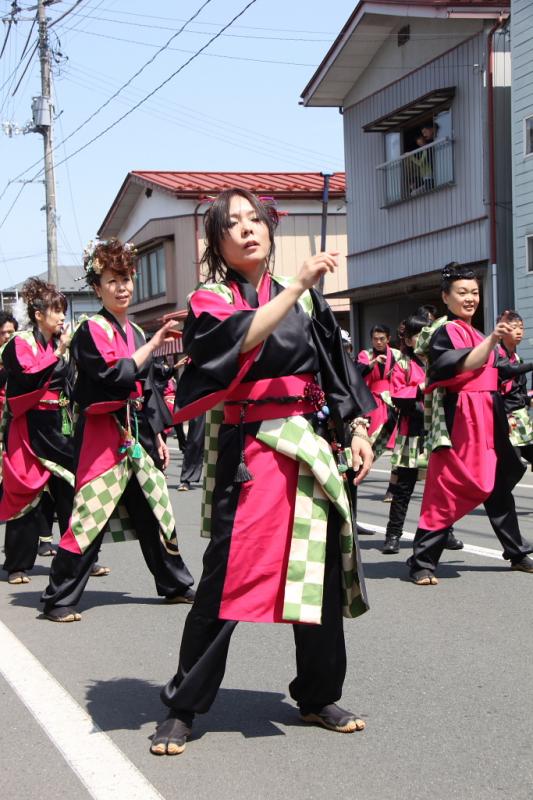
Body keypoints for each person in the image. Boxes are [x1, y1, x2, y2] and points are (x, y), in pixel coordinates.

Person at [150, 189, 375, 756]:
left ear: (270, 230)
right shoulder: (209, 299)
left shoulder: (307, 304)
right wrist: (298, 285)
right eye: (233, 224)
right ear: (218, 243)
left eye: (255, 219)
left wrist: (357, 428)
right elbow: (237, 342)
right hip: (249, 449)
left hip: (308, 445)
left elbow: (337, 371)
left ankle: (317, 694)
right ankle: (183, 705)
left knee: (316, 577)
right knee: (226, 578)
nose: (247, 229)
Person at [41, 239, 195, 622]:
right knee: (88, 518)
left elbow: (148, 390)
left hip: (136, 435)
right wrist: (156, 343)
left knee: (156, 511)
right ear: (97, 287)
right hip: (102, 436)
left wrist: (158, 434)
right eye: (113, 280)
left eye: (126, 278)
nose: (122, 286)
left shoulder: (137, 334)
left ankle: (174, 584)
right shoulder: (90, 329)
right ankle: (58, 597)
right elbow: (113, 375)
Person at [407, 264, 533, 585]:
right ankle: (422, 561)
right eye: (462, 293)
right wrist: (493, 339)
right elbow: (464, 363)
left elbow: (501, 368)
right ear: (446, 298)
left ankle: (517, 552)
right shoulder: (445, 331)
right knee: (450, 483)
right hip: (461, 414)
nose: (470, 298)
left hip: (489, 411)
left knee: (498, 482)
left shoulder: (476, 333)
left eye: (475, 292)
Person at [0, 278, 77, 585]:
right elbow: (28, 376)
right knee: (26, 492)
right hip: (29, 425)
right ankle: (18, 564)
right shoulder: (19, 343)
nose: (61, 317)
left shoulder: (62, 344)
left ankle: (79, 559)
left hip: (59, 422)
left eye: (63, 310)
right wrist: (57, 354)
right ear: (37, 313)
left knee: (71, 490)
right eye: (55, 310)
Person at [382, 314, 462, 554]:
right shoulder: (403, 365)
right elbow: (397, 396)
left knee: (441, 485)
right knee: (404, 488)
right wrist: (419, 388)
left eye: (426, 333)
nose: (423, 338)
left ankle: (446, 532)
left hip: (436, 431)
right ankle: (393, 535)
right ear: (407, 340)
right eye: (417, 335)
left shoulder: (437, 362)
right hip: (412, 432)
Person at [357, 324, 400, 501]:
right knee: (368, 445)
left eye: (382, 338)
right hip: (372, 404)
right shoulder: (365, 355)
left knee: (398, 448)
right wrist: (371, 364)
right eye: (375, 339)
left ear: (388, 339)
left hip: (393, 403)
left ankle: (392, 488)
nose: (379, 342)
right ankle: (354, 477)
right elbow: (355, 374)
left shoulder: (397, 355)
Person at [498, 311, 533, 465]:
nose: (519, 331)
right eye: (513, 328)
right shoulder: (495, 353)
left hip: (520, 417)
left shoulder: (517, 358)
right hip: (505, 417)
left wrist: (528, 399)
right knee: (512, 465)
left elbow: (521, 392)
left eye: (521, 327)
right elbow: (508, 370)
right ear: (501, 331)